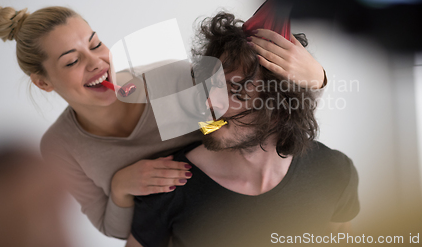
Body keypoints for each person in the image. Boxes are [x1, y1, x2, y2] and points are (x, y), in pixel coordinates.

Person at [0, 3, 326, 239]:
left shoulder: (168, 79)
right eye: (73, 60)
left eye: (96, 44)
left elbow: (261, 102)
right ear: (43, 82)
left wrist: (318, 77)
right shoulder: (59, 146)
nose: (97, 64)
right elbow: (116, 230)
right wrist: (121, 187)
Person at [127, 12, 359, 247]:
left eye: (235, 91)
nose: (208, 102)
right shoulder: (166, 186)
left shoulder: (334, 172)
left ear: (279, 111)